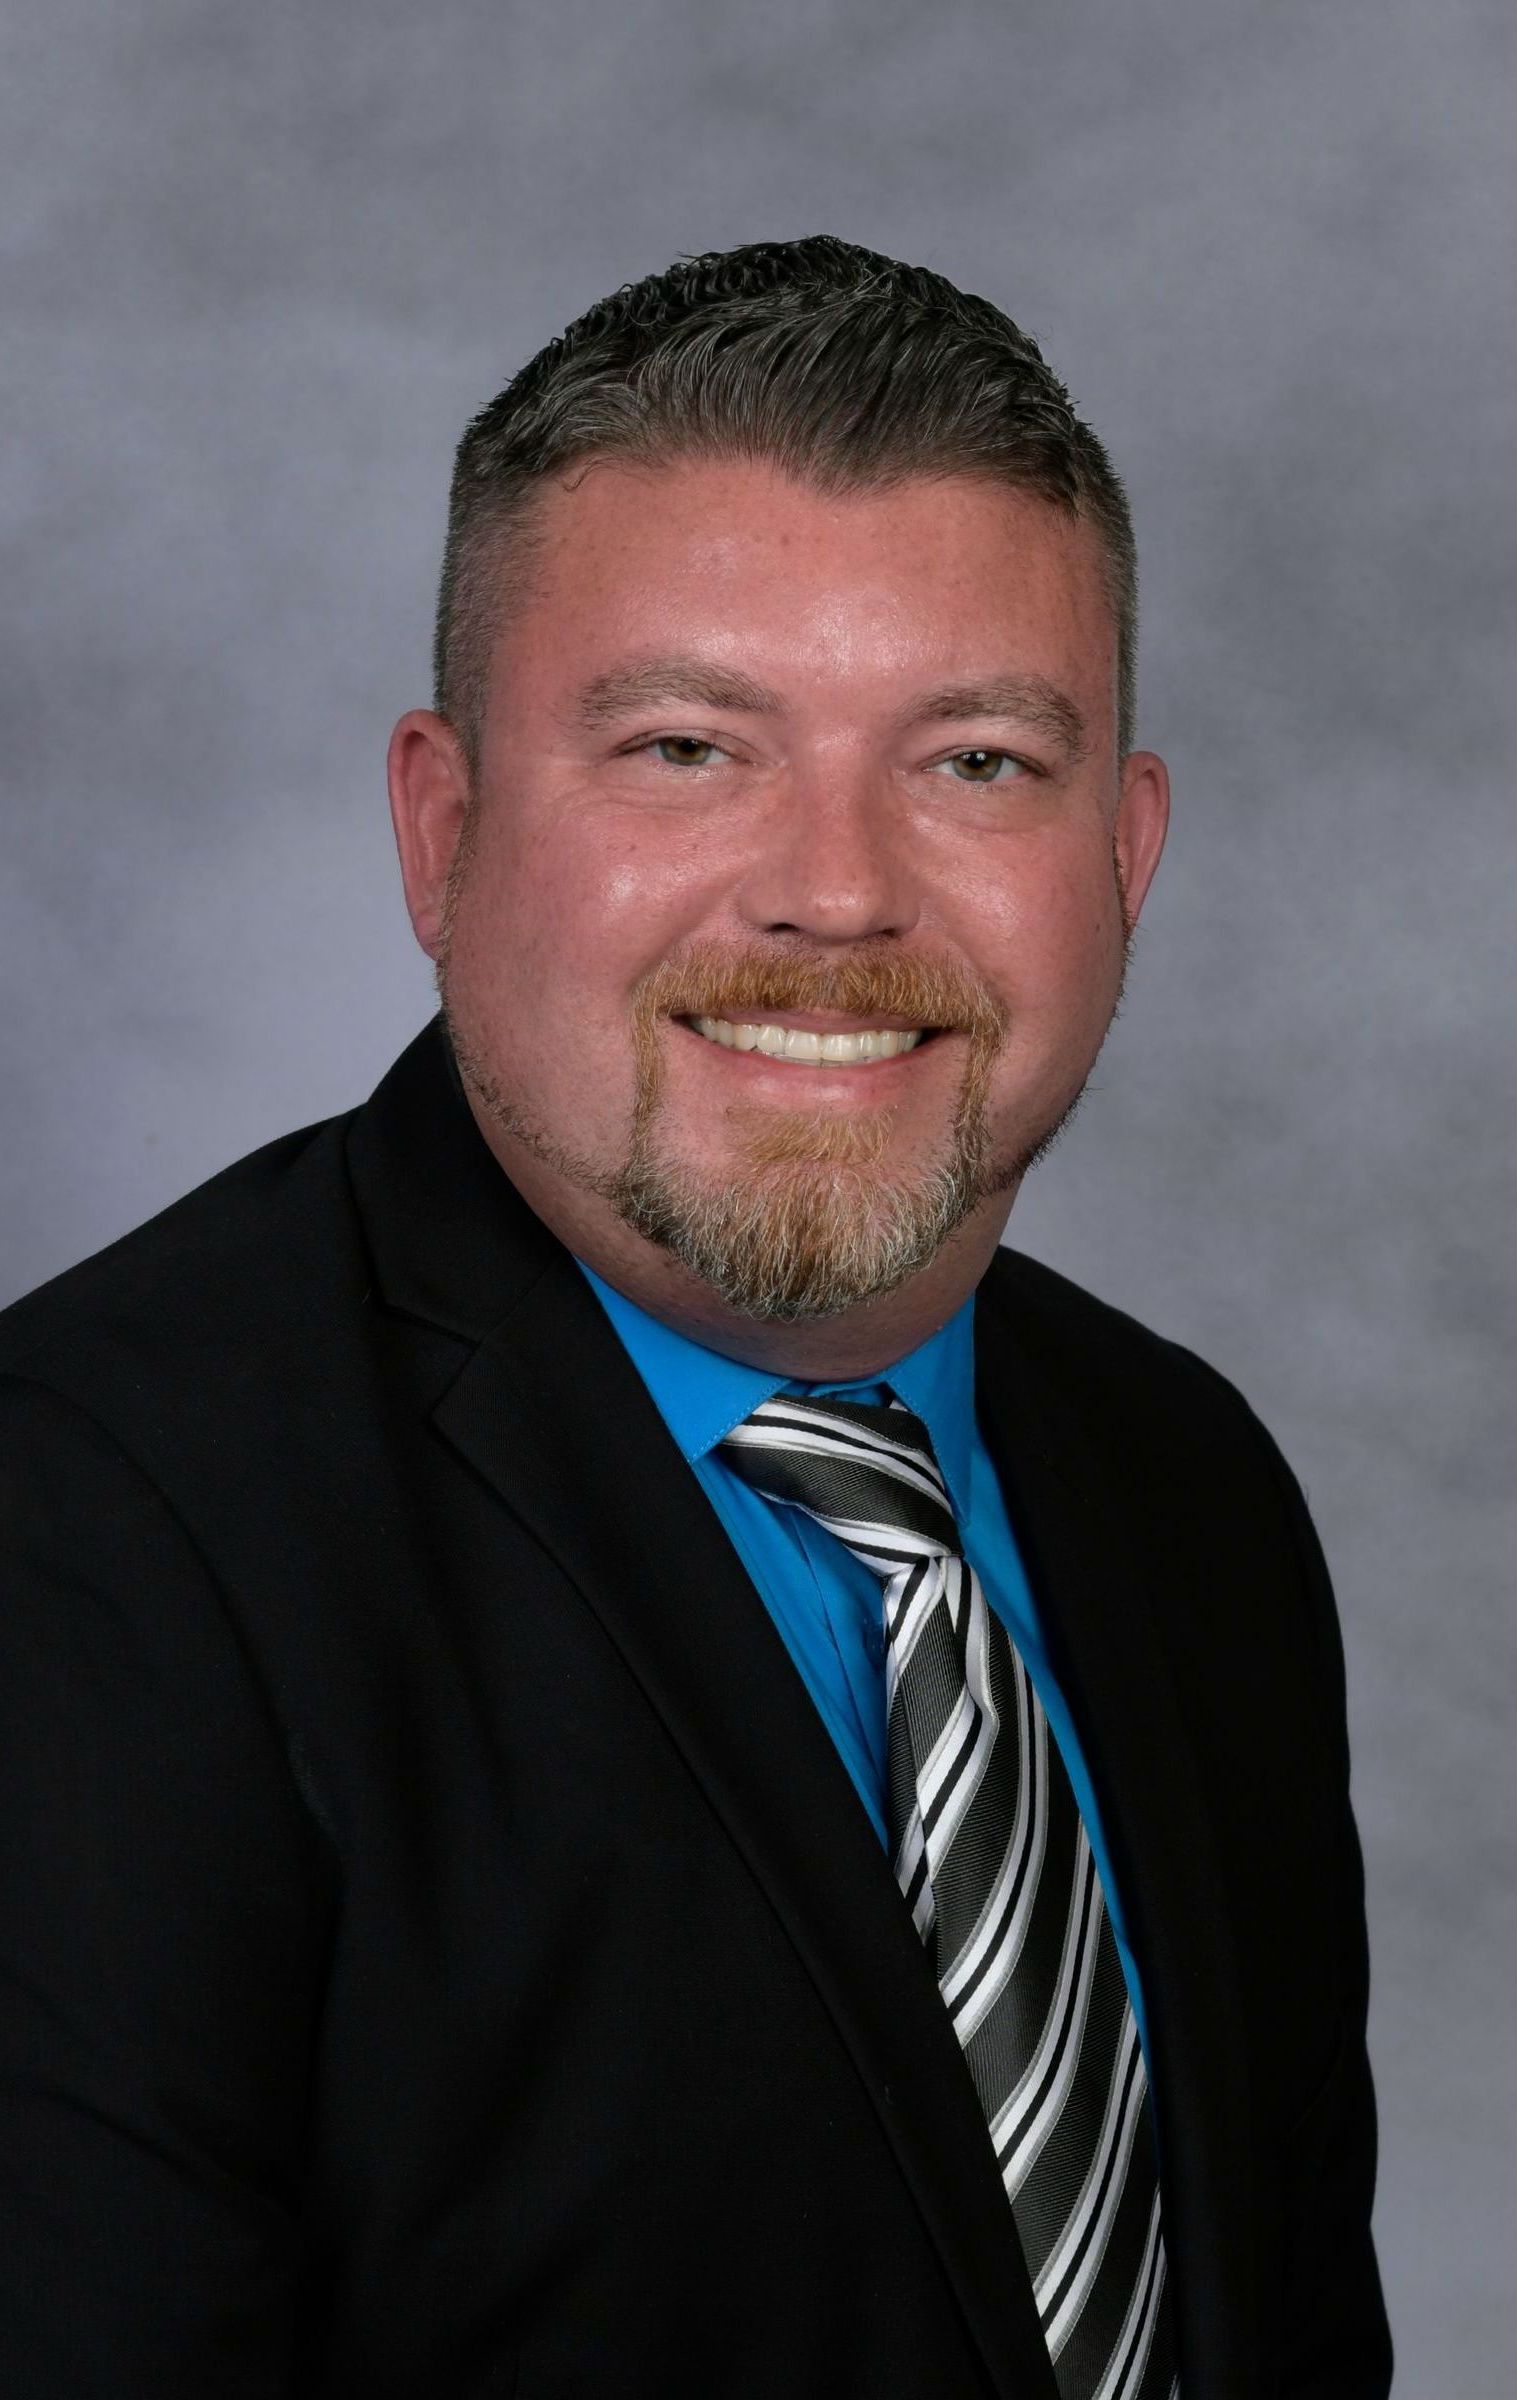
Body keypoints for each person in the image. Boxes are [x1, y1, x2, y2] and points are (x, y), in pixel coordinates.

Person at [0, 237, 1391, 2399]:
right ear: (441, 832)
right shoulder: (81, 1545)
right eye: (684, 747)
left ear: (1127, 855)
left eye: (978, 766)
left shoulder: (1188, 1488)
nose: (835, 890)